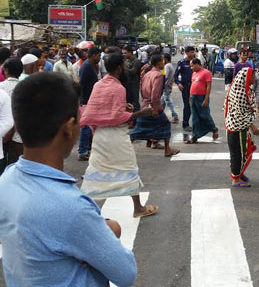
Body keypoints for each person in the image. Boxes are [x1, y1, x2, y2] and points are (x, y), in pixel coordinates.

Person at [0, 73, 137, 286]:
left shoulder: (7, 180)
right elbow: (126, 273)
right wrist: (107, 229)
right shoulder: (71, 208)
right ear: (69, 127)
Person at [80, 53, 160, 218]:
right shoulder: (118, 88)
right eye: (123, 65)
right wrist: (140, 113)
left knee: (96, 169)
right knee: (129, 167)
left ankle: (88, 211)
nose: (125, 68)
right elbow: (116, 117)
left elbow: (100, 110)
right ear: (118, 68)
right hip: (116, 136)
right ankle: (138, 208)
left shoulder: (99, 85)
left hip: (100, 136)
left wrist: (125, 107)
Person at [130, 54, 180, 157]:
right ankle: (167, 149)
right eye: (162, 61)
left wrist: (146, 102)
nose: (163, 63)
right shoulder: (158, 75)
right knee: (166, 125)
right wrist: (154, 107)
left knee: (140, 128)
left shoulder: (147, 74)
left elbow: (142, 89)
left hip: (145, 104)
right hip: (154, 106)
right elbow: (155, 93)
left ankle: (148, 142)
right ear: (158, 63)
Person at [225, 67, 259, 187]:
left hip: (240, 126)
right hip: (236, 126)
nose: (255, 78)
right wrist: (252, 126)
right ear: (247, 77)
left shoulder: (246, 89)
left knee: (243, 150)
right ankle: (236, 178)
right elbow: (240, 113)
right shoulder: (239, 92)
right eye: (253, 76)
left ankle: (239, 173)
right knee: (237, 152)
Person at [77, 47, 101, 161]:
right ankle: (83, 151)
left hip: (89, 100)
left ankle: (87, 149)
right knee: (85, 127)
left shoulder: (90, 66)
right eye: (99, 56)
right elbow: (81, 84)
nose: (100, 58)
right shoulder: (86, 67)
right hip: (86, 100)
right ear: (94, 55)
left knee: (89, 127)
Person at [187, 58, 218, 144]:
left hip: (201, 97)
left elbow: (208, 86)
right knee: (194, 117)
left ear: (197, 64)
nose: (191, 68)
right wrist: (190, 95)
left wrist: (206, 99)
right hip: (193, 97)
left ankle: (213, 129)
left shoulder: (206, 73)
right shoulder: (194, 73)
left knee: (204, 115)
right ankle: (194, 136)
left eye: (192, 66)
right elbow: (193, 84)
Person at [174, 46, 195, 132]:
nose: (193, 53)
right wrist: (178, 83)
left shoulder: (196, 62)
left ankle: (196, 124)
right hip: (186, 87)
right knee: (187, 106)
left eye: (194, 52)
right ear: (186, 52)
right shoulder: (182, 62)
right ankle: (185, 124)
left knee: (195, 106)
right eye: (191, 52)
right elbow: (175, 75)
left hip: (195, 87)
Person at [123, 45, 142, 110]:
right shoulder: (126, 60)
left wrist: (123, 69)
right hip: (127, 83)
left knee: (135, 101)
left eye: (125, 53)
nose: (124, 54)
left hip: (134, 83)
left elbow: (133, 71)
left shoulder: (136, 61)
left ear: (130, 52)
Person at [162, 53, 179, 124]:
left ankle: (175, 116)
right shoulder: (170, 65)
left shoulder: (167, 66)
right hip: (168, 85)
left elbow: (165, 76)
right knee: (162, 102)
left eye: (162, 59)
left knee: (168, 101)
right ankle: (159, 116)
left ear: (165, 59)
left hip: (166, 86)